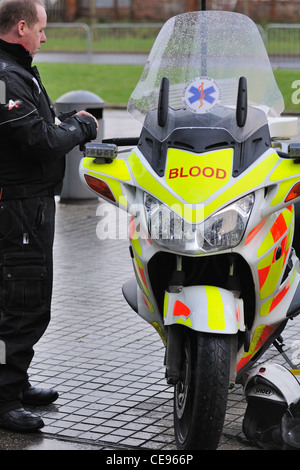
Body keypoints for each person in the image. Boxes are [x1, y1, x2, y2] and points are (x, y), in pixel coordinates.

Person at [0, 0, 98, 432]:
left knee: (27, 299)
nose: (45, 36)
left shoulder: (17, 68)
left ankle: (15, 384)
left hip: (31, 203)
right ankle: (3, 400)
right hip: (17, 208)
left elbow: (40, 121)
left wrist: (66, 120)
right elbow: (39, 139)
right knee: (20, 304)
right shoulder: (4, 75)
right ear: (21, 27)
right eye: (41, 28)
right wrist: (82, 127)